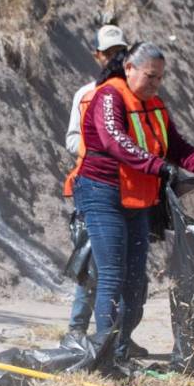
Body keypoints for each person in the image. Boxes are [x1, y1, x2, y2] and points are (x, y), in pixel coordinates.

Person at [66, 42, 194, 372]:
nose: (155, 84)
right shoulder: (108, 96)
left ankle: (121, 348)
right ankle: (104, 356)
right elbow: (115, 140)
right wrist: (157, 166)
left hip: (137, 200)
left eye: (160, 78)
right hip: (102, 194)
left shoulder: (154, 105)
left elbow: (178, 148)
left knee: (136, 281)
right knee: (111, 274)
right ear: (129, 68)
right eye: (150, 76)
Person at [61, 24, 129, 340]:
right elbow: (72, 139)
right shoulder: (86, 94)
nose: (115, 58)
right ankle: (78, 328)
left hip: (125, 189)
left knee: (118, 264)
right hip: (93, 185)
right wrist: (102, 147)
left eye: (120, 52)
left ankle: (117, 334)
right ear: (97, 55)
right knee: (93, 261)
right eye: (109, 53)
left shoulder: (132, 94)